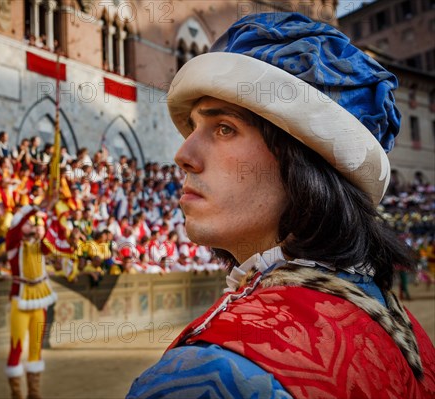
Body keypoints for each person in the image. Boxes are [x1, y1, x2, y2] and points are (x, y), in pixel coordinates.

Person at [128, 13, 435, 399]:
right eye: (193, 128)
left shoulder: (212, 372)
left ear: (304, 164)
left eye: (224, 128)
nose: (183, 154)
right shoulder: (407, 334)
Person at [4, 205, 57, 399]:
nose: (30, 224)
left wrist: (45, 220)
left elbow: (49, 244)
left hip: (38, 301)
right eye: (27, 222)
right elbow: (15, 231)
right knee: (16, 347)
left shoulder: (39, 245)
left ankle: (34, 394)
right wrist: (35, 209)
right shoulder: (12, 244)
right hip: (20, 299)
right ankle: (17, 394)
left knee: (36, 348)